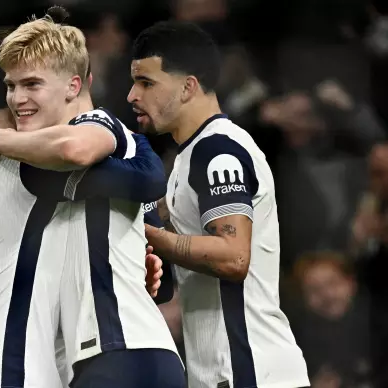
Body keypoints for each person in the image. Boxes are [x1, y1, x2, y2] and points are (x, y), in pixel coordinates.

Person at [0, 11, 174, 388]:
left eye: (31, 84)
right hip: (30, 366)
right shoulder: (26, 163)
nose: (19, 97)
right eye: (13, 85)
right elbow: (146, 179)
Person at [127, 21, 310, 388]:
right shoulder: (188, 157)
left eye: (147, 83)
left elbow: (233, 256)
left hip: (249, 371)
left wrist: (144, 233)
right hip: (225, 372)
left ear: (188, 87)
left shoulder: (218, 151)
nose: (132, 95)